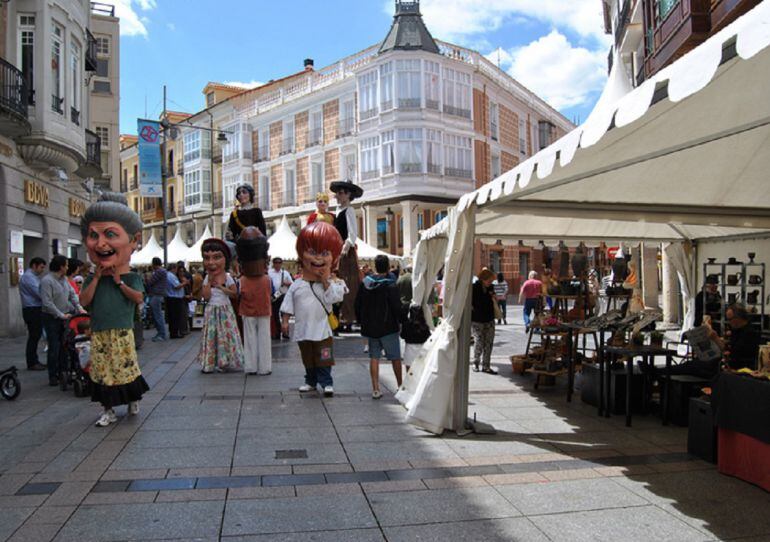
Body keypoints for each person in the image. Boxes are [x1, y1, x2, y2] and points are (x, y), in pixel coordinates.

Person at [79, 193, 149, 426]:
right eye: (93, 235)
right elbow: (84, 301)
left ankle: (132, 400)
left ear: (133, 241)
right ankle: (107, 410)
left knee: (125, 370)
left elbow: (138, 297)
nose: (100, 244)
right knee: (102, 373)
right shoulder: (92, 278)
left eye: (110, 234)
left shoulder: (132, 277)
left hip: (122, 332)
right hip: (99, 332)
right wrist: (98, 278)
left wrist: (119, 282)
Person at [281, 221, 347, 397]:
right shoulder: (297, 285)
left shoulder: (335, 283)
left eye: (325, 253)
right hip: (303, 330)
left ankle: (326, 383)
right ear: (302, 256)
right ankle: (310, 381)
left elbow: (335, 298)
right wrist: (285, 321)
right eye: (312, 252)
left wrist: (325, 280)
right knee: (308, 358)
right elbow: (288, 303)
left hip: (323, 330)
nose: (318, 258)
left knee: (324, 356)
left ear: (334, 259)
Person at [355, 254, 403, 399]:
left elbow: (357, 304)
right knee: (395, 357)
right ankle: (400, 386)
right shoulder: (390, 285)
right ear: (388, 267)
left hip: (371, 328)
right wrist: (401, 320)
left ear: (375, 266)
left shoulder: (365, 284)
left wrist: (362, 321)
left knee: (374, 357)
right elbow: (396, 306)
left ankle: (375, 389)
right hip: (388, 327)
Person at [198, 238, 244, 373]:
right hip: (211, 309)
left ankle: (225, 361)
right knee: (212, 336)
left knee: (225, 336)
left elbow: (234, 293)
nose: (211, 263)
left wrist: (221, 288)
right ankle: (210, 362)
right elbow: (205, 296)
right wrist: (209, 282)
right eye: (207, 258)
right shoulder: (207, 278)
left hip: (224, 309)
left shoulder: (228, 277)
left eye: (216, 257)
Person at [41, 255, 86, 386]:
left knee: (65, 345)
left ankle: (63, 371)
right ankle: (53, 375)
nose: (67, 267)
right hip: (52, 318)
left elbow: (72, 294)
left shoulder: (64, 280)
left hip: (65, 316)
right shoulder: (47, 281)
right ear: (61, 266)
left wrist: (79, 308)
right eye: (66, 265)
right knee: (54, 346)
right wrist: (60, 314)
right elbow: (47, 302)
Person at [236, 227, 272, 376]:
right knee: (264, 338)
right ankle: (265, 367)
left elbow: (239, 295)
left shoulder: (242, 280)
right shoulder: (267, 279)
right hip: (264, 310)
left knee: (250, 339)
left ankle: (250, 367)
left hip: (248, 311)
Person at [330, 179, 363, 331]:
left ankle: (347, 318)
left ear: (348, 195)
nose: (337, 195)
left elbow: (352, 234)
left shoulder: (349, 210)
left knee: (347, 284)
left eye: (341, 192)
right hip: (336, 250)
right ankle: (337, 318)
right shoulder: (337, 210)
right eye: (337, 192)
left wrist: (345, 248)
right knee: (335, 283)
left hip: (344, 251)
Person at [714, 304, 761, 371]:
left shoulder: (750, 332)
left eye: (730, 319)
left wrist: (716, 338)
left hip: (744, 370)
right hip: (734, 367)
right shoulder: (736, 329)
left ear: (739, 317)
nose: (729, 322)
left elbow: (736, 352)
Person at [19, 257, 47, 371]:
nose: (42, 270)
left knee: (36, 335)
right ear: (34, 266)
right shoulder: (28, 277)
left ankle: (34, 360)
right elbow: (39, 293)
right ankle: (32, 362)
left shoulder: (33, 277)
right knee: (34, 336)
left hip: (35, 308)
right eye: (41, 267)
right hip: (32, 309)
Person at [471, 268, 498, 374]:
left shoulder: (491, 288)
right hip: (477, 319)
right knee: (479, 341)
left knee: (489, 342)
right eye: (489, 280)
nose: (490, 283)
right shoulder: (474, 288)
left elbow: (494, 299)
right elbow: (471, 303)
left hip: (489, 318)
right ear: (483, 279)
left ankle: (486, 365)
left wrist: (494, 297)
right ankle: (476, 362)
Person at [268, 257, 293, 339]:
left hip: (283, 295)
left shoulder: (285, 273)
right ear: (273, 264)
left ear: (281, 264)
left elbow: (292, 284)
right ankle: (277, 332)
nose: (277, 264)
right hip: (274, 295)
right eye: (276, 263)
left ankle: (285, 332)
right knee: (275, 315)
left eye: (279, 263)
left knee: (284, 314)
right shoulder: (270, 273)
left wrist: (286, 283)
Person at [145, 257, 168, 342]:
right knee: (157, 314)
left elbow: (150, 282)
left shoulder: (159, 272)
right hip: (158, 294)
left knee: (157, 315)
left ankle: (161, 334)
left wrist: (147, 279)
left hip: (156, 295)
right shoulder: (162, 271)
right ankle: (160, 333)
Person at [165, 263, 187, 339]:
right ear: (173, 268)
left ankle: (174, 332)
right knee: (175, 317)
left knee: (174, 317)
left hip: (173, 298)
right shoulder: (171, 276)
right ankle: (174, 333)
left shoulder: (169, 275)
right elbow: (177, 286)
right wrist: (185, 283)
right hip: (174, 298)